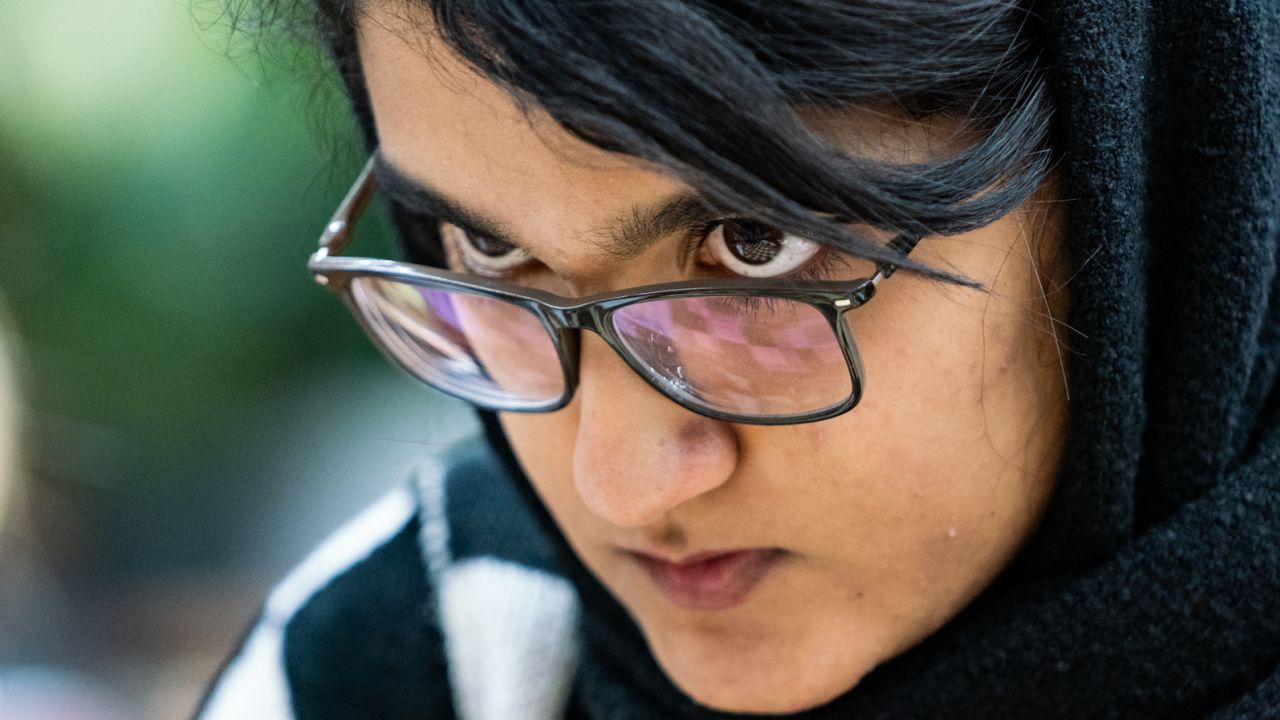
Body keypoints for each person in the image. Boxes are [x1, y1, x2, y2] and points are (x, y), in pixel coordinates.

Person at [198, 1, 1280, 718]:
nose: (614, 483)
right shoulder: (403, 663)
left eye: (754, 250)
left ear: (1141, 173)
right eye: (489, 247)